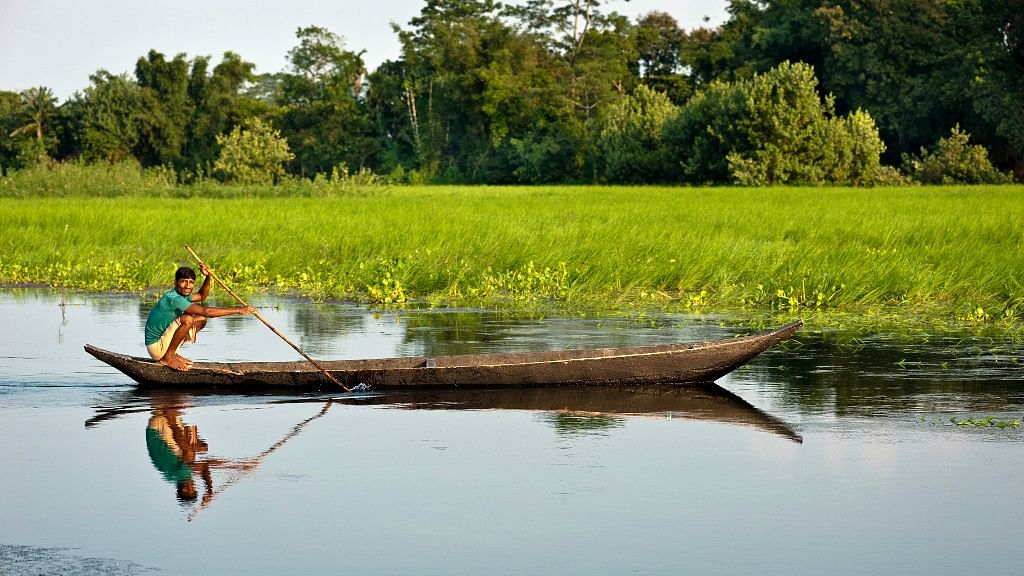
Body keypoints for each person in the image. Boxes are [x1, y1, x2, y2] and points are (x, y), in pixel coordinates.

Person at [144, 264, 255, 371]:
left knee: (201, 319)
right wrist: (239, 310)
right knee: (187, 319)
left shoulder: (183, 295)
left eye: (191, 282)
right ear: (175, 283)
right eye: (183, 282)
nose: (188, 286)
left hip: (163, 342)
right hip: (156, 347)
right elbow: (206, 311)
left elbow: (202, 296)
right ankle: (168, 357)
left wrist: (208, 277)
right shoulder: (174, 298)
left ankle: (172, 352)